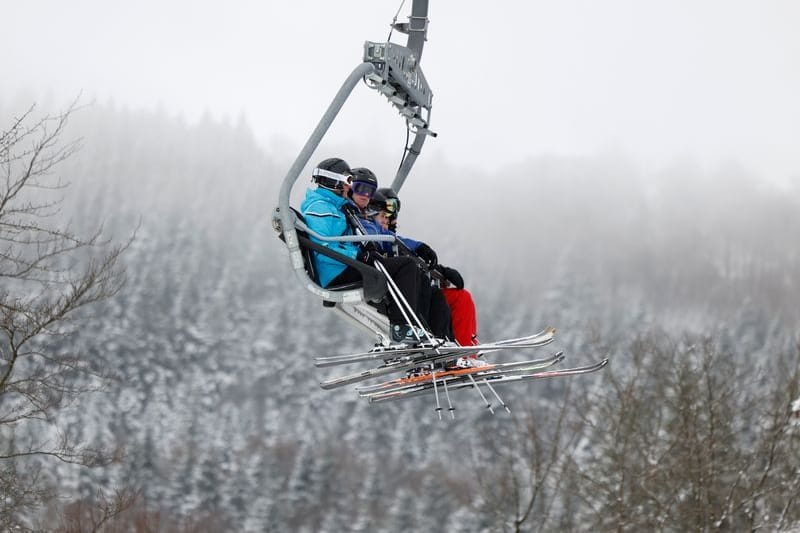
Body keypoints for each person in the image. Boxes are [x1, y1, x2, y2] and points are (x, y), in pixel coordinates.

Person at [300, 157, 434, 344]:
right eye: (348, 181)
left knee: (408, 269)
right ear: (333, 180)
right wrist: (358, 255)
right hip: (335, 270)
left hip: (343, 265)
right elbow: (323, 247)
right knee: (405, 267)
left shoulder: (334, 206)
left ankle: (416, 329)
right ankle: (401, 327)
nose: (350, 187)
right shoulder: (320, 207)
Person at [375, 187, 481, 349]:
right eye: (387, 210)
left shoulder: (395, 240)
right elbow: (393, 249)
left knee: (461, 298)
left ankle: (464, 351)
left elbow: (410, 254)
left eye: (394, 209)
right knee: (434, 296)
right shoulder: (374, 234)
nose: (392, 217)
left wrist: (441, 271)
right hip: (398, 293)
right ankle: (437, 348)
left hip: (415, 286)